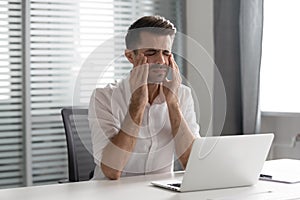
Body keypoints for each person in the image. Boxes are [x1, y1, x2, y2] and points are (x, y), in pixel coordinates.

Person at [88, 15, 200, 180]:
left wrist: (172, 104)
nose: (161, 61)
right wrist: (138, 103)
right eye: (151, 52)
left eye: (166, 52)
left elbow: (192, 165)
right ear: (130, 57)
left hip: (159, 193)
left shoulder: (181, 95)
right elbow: (112, 171)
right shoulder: (104, 97)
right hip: (111, 193)